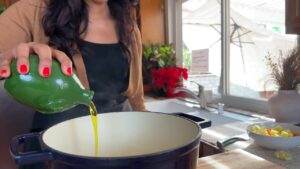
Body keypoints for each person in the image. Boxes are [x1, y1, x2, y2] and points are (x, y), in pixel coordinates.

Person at [0, 0, 145, 168]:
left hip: (118, 154)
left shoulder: (129, 27)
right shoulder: (32, 10)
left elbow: (136, 100)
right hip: (53, 158)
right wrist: (9, 57)